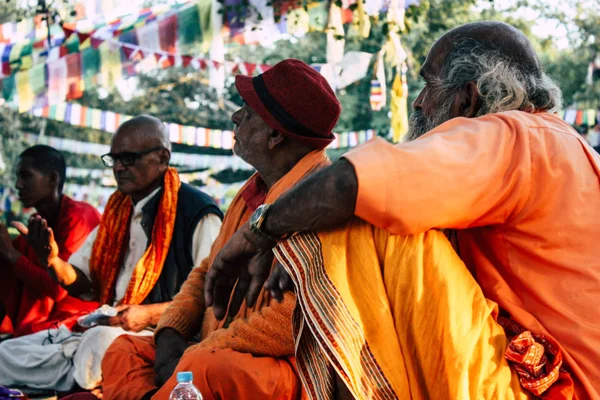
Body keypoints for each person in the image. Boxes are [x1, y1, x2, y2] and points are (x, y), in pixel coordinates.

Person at [205, 22, 600, 400]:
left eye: (427, 84)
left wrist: (261, 232)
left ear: (469, 96)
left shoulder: (513, 137)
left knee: (370, 216)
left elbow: (352, 185)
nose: (418, 101)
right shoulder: (561, 144)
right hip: (547, 375)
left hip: (549, 388)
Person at [100, 59, 340, 400]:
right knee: (124, 350)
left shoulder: (323, 198)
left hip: (280, 369)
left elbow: (296, 316)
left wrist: (204, 349)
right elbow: (206, 272)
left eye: (248, 111)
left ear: (274, 135)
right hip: (212, 351)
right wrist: (170, 333)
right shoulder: (249, 193)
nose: (235, 117)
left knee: (207, 368)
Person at [0, 115, 223, 392]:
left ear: (163, 157)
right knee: (5, 353)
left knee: (98, 343)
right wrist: (51, 261)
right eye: (113, 159)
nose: (118, 167)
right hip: (105, 324)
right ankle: (78, 377)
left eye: (128, 158)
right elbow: (82, 282)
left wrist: (147, 315)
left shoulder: (196, 213)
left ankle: (81, 384)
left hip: (162, 335)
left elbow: (213, 295)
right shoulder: (118, 211)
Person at [0, 145, 100, 337]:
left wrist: (11, 254)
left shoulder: (80, 217)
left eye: (26, 176)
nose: (18, 184)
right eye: (18, 177)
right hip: (44, 321)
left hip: (78, 318)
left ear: (52, 179)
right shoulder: (39, 222)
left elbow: (59, 288)